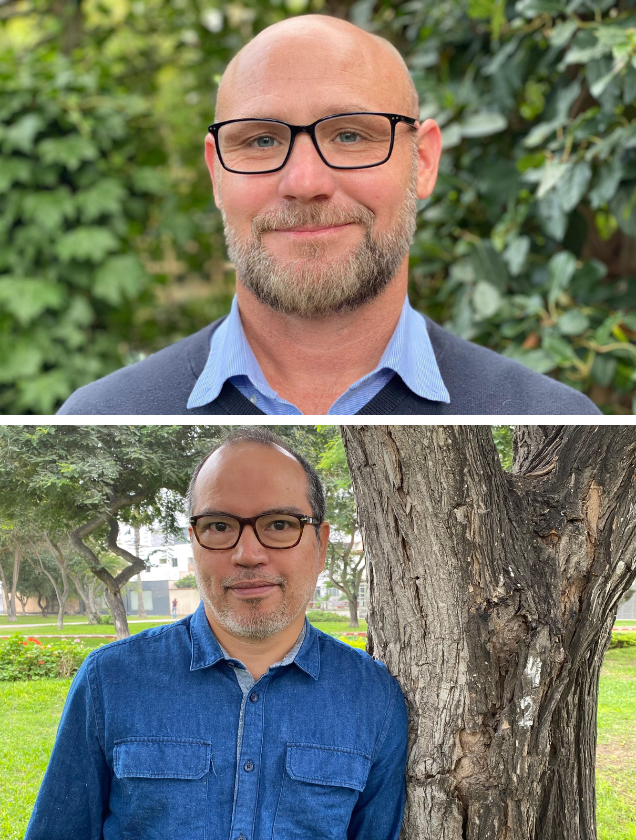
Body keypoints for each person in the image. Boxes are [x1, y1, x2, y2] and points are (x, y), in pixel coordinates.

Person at [57, 16, 599, 416]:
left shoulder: (556, 419)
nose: (306, 184)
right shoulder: (98, 416)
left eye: (350, 135)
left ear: (424, 161)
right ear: (217, 174)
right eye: (262, 140)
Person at [25, 428, 408, 840]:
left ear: (321, 544)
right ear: (194, 541)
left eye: (279, 524)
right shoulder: (110, 681)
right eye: (220, 526)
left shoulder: (374, 698)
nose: (247, 554)